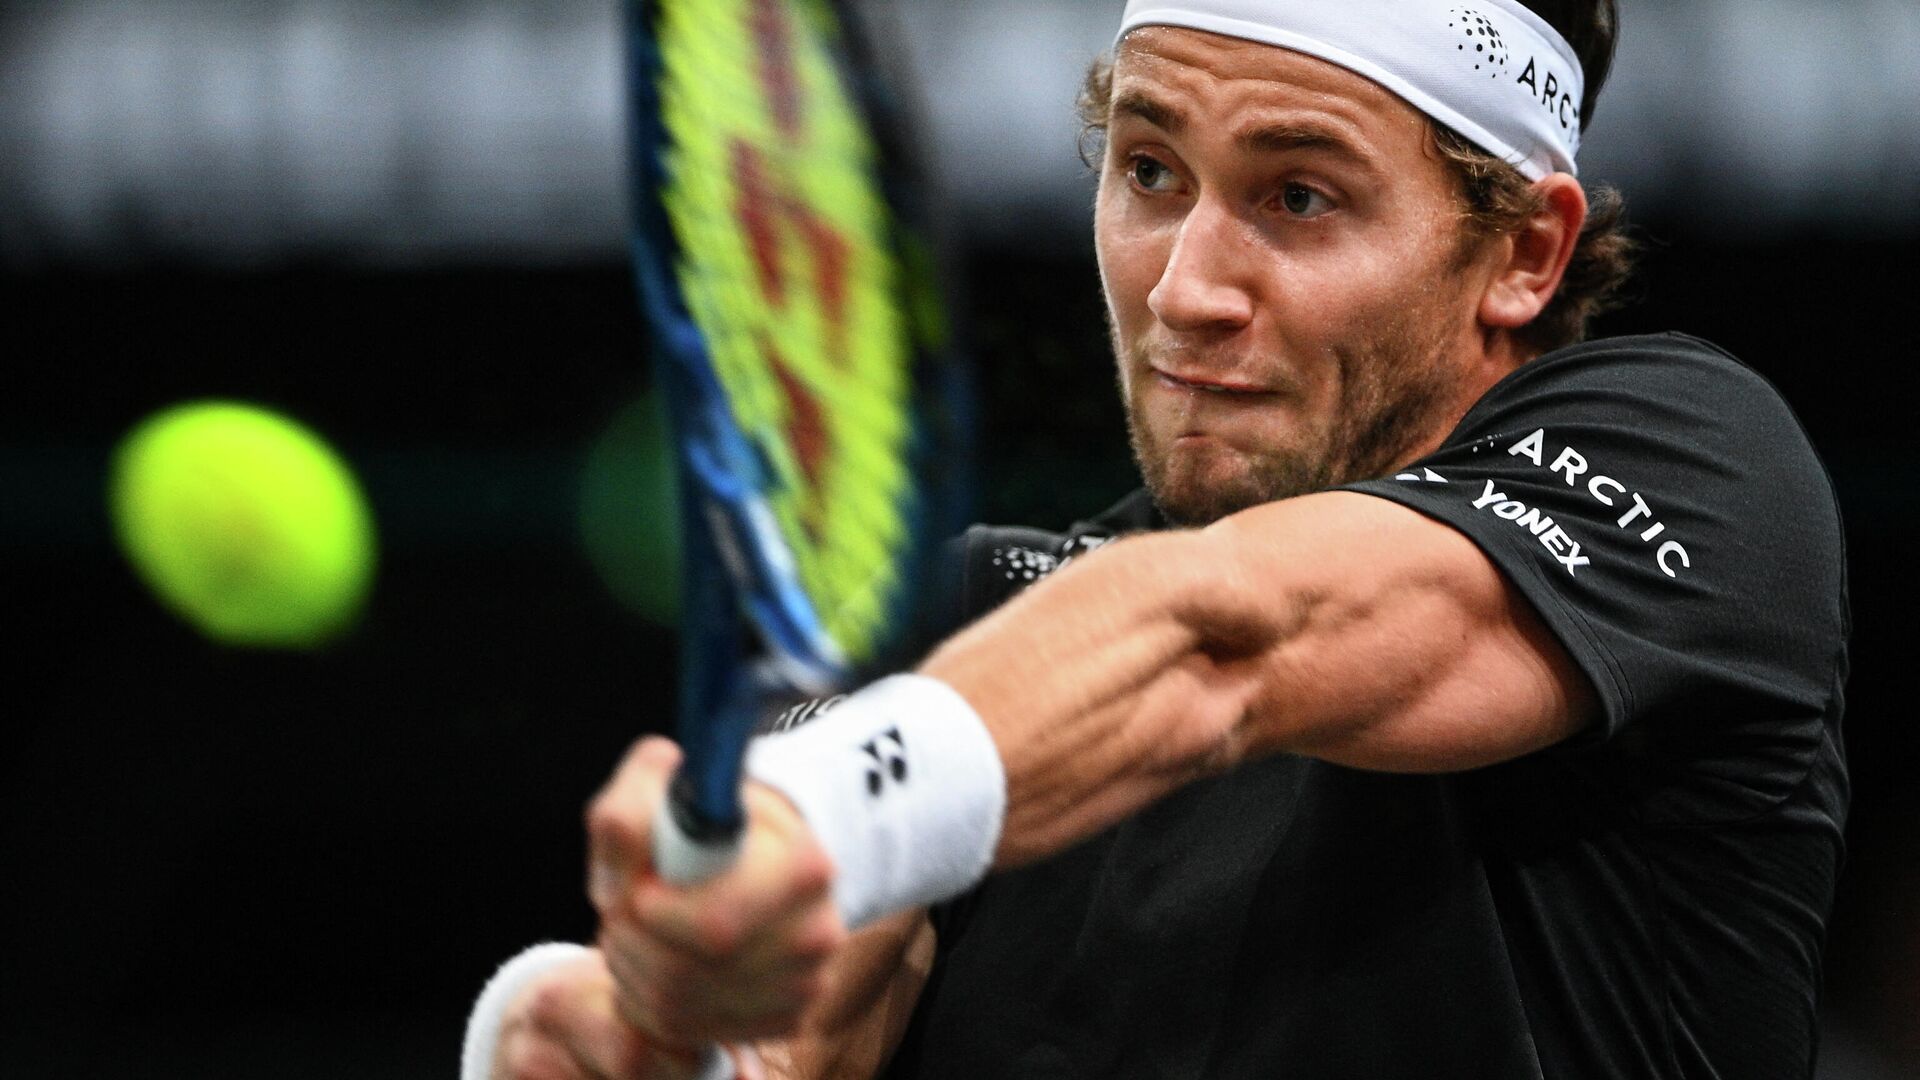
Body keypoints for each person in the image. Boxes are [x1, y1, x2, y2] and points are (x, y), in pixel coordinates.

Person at [465, 1, 1850, 1077]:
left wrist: (818, 812)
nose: (1184, 288)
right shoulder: (965, 623)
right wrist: (658, 1031)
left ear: (1524, 255)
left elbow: (1227, 637)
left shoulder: (1695, 461)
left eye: (1298, 196)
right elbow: (806, 1014)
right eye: (1148, 170)